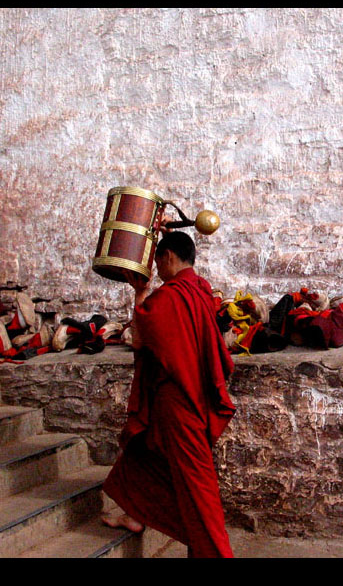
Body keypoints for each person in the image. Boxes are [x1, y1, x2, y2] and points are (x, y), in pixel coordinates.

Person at [102, 229, 237, 558]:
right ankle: (135, 514)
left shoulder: (169, 297)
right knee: (143, 454)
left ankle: (216, 553)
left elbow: (139, 340)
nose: (156, 269)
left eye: (158, 260)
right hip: (198, 397)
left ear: (168, 257)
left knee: (197, 487)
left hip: (178, 404)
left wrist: (140, 293)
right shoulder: (201, 291)